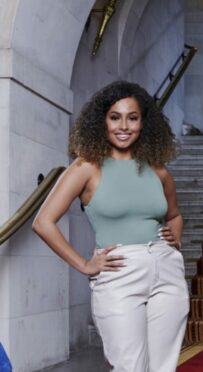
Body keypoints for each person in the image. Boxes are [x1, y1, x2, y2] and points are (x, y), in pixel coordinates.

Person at [33, 81, 189, 372]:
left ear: (144, 123)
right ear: (102, 121)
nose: (124, 126)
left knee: (163, 367)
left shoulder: (157, 169)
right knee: (130, 366)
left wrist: (175, 235)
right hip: (119, 271)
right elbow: (43, 222)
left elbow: (175, 215)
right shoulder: (86, 168)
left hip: (166, 268)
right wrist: (84, 264)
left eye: (133, 117)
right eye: (115, 117)